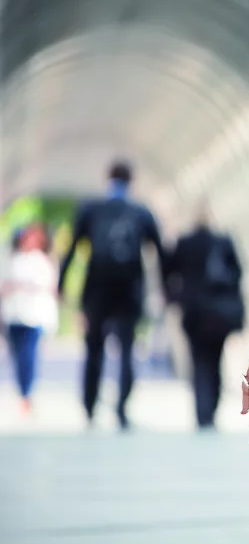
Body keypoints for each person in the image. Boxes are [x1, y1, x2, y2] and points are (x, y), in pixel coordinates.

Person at [58, 161, 167, 430]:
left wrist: (61, 284)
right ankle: (121, 409)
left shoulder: (91, 209)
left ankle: (89, 406)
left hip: (97, 288)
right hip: (129, 288)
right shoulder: (140, 212)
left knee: (94, 348)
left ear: (108, 179)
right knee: (127, 350)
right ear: (132, 181)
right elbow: (160, 252)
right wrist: (165, 288)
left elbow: (72, 248)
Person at [165, 207, 244, 430]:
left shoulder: (184, 243)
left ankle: (203, 410)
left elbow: (168, 271)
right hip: (219, 313)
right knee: (216, 359)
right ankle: (211, 408)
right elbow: (237, 273)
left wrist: (174, 297)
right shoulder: (223, 242)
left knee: (198, 360)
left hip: (193, 312)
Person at [1, 224, 59, 416]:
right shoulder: (11, 260)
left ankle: (26, 393)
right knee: (18, 356)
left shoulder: (43, 262)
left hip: (34, 317)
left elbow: (49, 290)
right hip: (14, 315)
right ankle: (22, 390)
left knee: (29, 356)